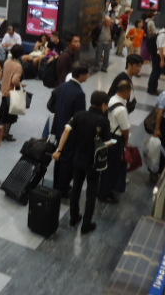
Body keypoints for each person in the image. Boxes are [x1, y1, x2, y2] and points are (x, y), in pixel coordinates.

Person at [53, 91, 111, 234]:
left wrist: (59, 150)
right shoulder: (103, 121)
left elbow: (66, 131)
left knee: (76, 188)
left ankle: (73, 217)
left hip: (77, 158)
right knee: (91, 193)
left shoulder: (79, 115)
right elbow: (106, 142)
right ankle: (86, 224)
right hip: (93, 162)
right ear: (103, 105)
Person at [48, 64, 90, 197]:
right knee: (68, 161)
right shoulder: (79, 94)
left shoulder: (61, 87)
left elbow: (51, 106)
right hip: (70, 132)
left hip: (58, 128)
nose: (88, 76)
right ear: (81, 75)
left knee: (59, 157)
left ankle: (57, 185)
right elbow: (79, 117)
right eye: (87, 74)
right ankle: (63, 188)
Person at [99, 80, 132, 204]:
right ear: (126, 91)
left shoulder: (112, 99)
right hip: (116, 139)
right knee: (112, 167)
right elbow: (125, 130)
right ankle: (105, 193)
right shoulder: (121, 109)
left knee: (107, 166)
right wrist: (126, 143)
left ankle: (103, 189)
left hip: (108, 135)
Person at [0, 44, 24, 142]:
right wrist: (21, 85)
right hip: (11, 93)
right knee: (10, 116)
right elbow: (14, 80)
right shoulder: (18, 66)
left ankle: (1, 134)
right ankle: (5, 134)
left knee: (2, 115)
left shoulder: (7, 62)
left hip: (3, 90)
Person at [147, 21, 165, 95]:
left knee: (156, 73)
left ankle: (153, 88)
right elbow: (160, 48)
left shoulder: (164, 33)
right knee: (155, 73)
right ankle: (151, 90)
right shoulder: (162, 35)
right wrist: (162, 60)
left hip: (158, 56)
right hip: (158, 56)